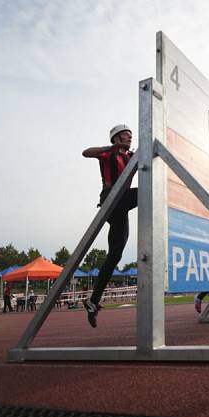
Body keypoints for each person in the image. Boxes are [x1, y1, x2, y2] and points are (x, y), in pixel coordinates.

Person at [82, 124, 136, 327]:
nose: (129, 138)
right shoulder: (108, 154)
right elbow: (85, 152)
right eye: (125, 135)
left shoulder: (131, 157)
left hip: (121, 205)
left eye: (131, 136)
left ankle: (93, 301)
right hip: (110, 198)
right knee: (146, 191)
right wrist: (109, 148)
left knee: (115, 255)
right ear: (115, 138)